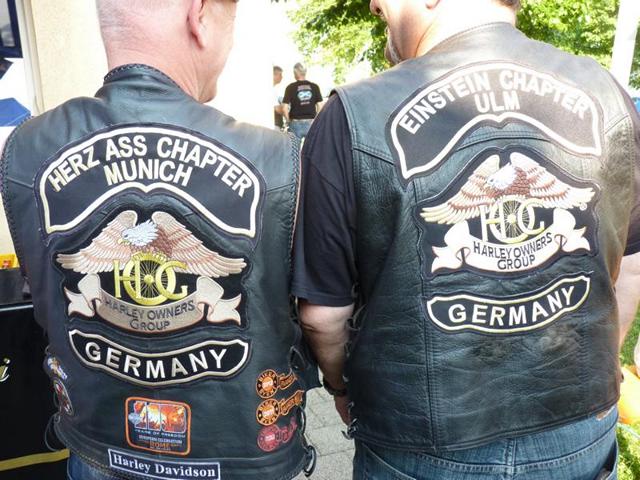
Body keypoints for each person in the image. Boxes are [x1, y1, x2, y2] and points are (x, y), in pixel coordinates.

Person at [293, 0, 640, 478]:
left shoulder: (351, 117)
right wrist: (591, 366)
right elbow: (632, 265)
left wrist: (342, 390)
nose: (374, 4)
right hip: (580, 431)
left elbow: (322, 317)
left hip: (419, 441)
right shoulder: (607, 94)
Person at [1, 1, 317, 479]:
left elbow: (44, 294)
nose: (230, 44)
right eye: (231, 25)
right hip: (237, 454)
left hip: (97, 446)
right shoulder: (275, 158)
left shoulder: (25, 149)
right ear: (199, 16)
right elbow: (320, 318)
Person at [282, 63, 323, 139]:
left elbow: (284, 108)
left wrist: (288, 121)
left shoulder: (290, 87)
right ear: (305, 72)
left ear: (295, 73)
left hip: (295, 123)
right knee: (312, 146)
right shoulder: (315, 87)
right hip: (311, 123)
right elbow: (320, 106)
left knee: (294, 146)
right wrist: (316, 120)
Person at [273, 65, 286, 130]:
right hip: (274, 125)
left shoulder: (273, 89)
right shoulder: (270, 90)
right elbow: (277, 109)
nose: (282, 77)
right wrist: (287, 115)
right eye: (280, 75)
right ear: (274, 75)